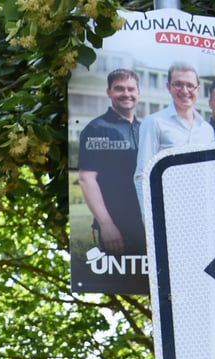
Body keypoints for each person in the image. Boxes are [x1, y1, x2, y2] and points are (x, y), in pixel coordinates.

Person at [77, 69, 145, 255]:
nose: (126, 94)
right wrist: (106, 225)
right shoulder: (96, 129)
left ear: (138, 92)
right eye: (119, 89)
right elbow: (86, 179)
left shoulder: (145, 129)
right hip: (117, 230)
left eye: (131, 89)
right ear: (109, 92)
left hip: (147, 225)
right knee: (121, 284)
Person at [133, 62, 214, 211]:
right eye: (178, 84)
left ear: (198, 89)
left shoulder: (207, 129)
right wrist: (150, 221)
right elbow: (142, 175)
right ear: (168, 87)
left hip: (203, 209)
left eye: (190, 85)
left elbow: (211, 175)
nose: (184, 90)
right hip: (168, 209)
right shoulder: (154, 122)